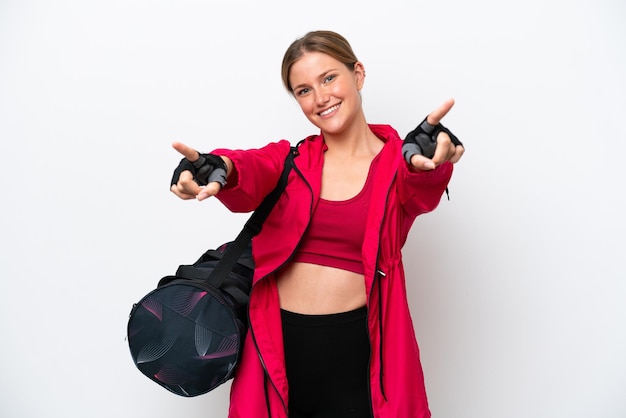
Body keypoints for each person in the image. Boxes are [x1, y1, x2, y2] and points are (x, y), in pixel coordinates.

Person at [170, 30, 464, 418]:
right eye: (304, 90)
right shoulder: (291, 161)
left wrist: (430, 160)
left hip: (359, 349)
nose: (321, 97)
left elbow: (421, 190)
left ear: (357, 74)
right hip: (278, 346)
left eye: (329, 78)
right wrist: (214, 167)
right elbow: (247, 168)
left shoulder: (398, 163)